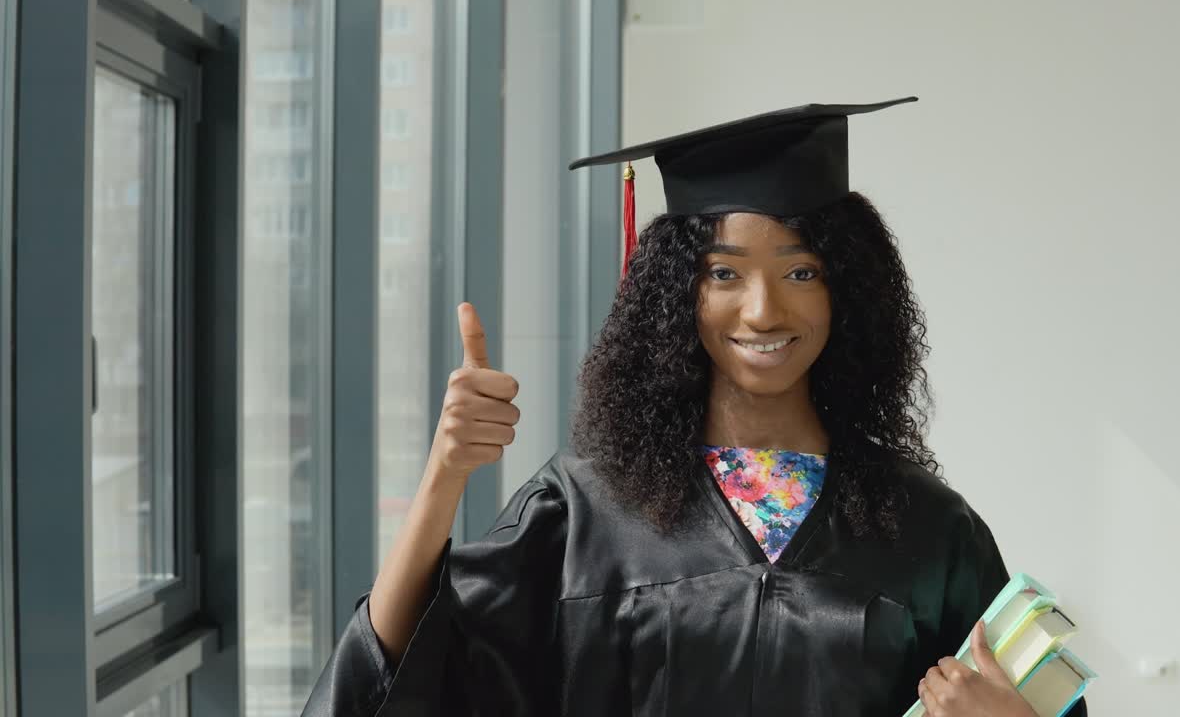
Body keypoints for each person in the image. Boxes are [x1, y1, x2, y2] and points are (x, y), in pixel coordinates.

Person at [301, 100, 1088, 716]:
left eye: (802, 273)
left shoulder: (927, 529)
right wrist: (444, 475)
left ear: (850, 291)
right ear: (677, 293)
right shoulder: (586, 509)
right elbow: (403, 680)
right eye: (723, 274)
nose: (763, 310)